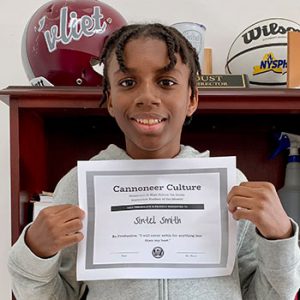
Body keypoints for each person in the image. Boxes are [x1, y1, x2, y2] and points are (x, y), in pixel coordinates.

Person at [8, 23, 300, 300]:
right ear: (110, 100)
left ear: (192, 99)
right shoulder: (80, 187)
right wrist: (35, 252)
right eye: (128, 82)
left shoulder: (231, 184)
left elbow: (269, 295)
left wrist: (280, 237)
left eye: (166, 81)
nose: (147, 96)